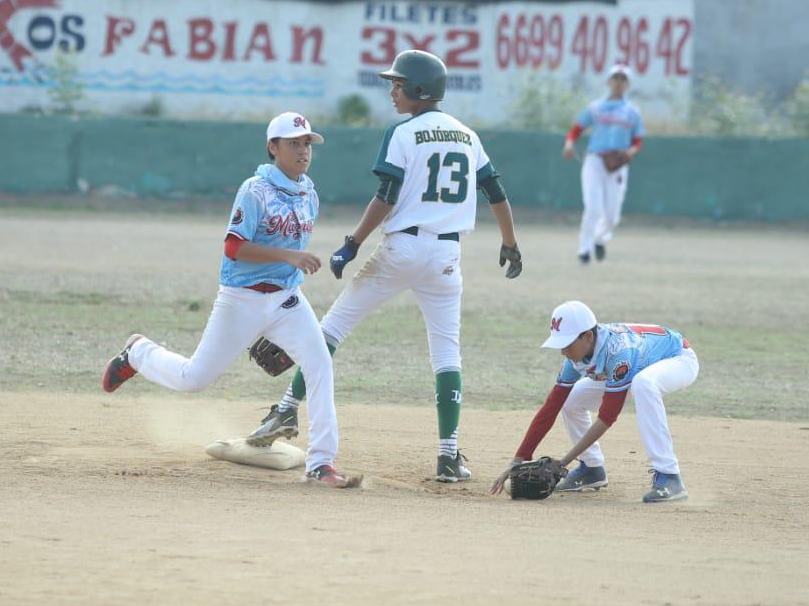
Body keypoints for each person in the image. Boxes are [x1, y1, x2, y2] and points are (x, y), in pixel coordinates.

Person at [242, 49, 523, 483]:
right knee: (447, 351)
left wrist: (352, 243)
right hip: (447, 256)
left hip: (402, 250)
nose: (392, 91)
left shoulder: (403, 132)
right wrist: (510, 243)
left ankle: (284, 411)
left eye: (398, 84)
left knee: (332, 329)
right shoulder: (468, 135)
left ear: (418, 89)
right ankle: (448, 457)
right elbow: (495, 191)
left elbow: (387, 196)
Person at [100, 112, 351, 487]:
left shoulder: (308, 193)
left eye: (307, 144)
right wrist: (289, 257)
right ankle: (137, 352)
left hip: (286, 300)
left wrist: (287, 282)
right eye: (293, 143)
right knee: (194, 378)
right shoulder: (255, 189)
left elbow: (290, 253)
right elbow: (234, 247)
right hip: (241, 300)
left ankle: (321, 463)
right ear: (273, 147)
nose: (303, 151)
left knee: (319, 364)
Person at [489, 300, 698, 504]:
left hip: (677, 359)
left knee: (643, 384)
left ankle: (669, 475)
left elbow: (607, 417)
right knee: (572, 400)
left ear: (588, 336)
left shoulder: (620, 353)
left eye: (567, 344)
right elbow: (551, 408)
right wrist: (518, 459)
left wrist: (562, 464)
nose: (563, 351)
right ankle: (591, 469)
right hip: (638, 367)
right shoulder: (575, 358)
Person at [564, 64, 645, 264]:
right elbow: (577, 128)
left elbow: (637, 140)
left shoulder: (632, 112)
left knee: (612, 217)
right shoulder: (595, 107)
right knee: (593, 208)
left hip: (618, 164)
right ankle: (584, 250)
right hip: (595, 160)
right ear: (608, 81)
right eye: (615, 78)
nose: (618, 82)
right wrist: (569, 144)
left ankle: (599, 239)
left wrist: (631, 152)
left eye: (623, 79)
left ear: (628, 84)